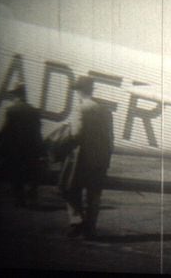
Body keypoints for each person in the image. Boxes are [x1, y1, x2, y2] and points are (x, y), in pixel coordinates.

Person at [60, 76, 113, 239]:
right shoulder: (106, 110)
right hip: (101, 159)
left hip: (81, 159)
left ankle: (77, 221)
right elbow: (111, 137)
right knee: (94, 195)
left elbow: (76, 134)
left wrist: (62, 148)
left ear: (79, 91)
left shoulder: (81, 108)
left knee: (68, 188)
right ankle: (90, 229)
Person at [0, 82, 45, 207]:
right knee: (32, 173)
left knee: (16, 173)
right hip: (31, 148)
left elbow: (5, 130)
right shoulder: (34, 111)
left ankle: (20, 199)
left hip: (15, 149)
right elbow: (38, 131)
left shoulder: (11, 110)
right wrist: (41, 148)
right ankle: (32, 196)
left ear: (16, 96)